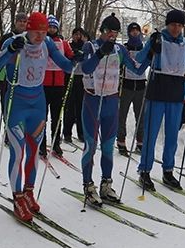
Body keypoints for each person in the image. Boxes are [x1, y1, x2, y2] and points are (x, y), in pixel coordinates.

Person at [0, 12, 78, 222]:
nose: (39, 36)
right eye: (35, 32)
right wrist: (10, 50)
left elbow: (66, 65)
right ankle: (17, 196)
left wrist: (76, 58)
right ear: (27, 29)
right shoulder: (15, 41)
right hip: (17, 104)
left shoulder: (48, 43)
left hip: (37, 104)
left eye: (43, 32)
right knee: (18, 153)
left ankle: (28, 192)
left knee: (33, 151)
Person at [133, 9, 185, 191]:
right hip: (157, 89)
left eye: (180, 25)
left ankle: (168, 170)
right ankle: (144, 170)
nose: (176, 28)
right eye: (174, 24)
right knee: (151, 133)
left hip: (175, 91)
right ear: (168, 24)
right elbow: (139, 59)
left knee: (172, 135)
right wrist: (151, 49)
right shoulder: (157, 38)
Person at [80, 13, 148, 206]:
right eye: (109, 31)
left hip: (111, 101)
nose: (112, 35)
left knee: (108, 147)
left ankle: (106, 184)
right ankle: (88, 185)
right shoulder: (90, 46)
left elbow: (136, 69)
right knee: (90, 146)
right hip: (92, 102)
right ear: (102, 30)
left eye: (116, 32)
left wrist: (152, 53)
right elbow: (85, 68)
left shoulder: (119, 49)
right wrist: (101, 52)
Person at [40, 15, 74, 157]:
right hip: (43, 84)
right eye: (50, 27)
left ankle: (55, 143)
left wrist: (75, 56)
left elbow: (70, 55)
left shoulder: (62, 42)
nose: (52, 29)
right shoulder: (42, 41)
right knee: (43, 116)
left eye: (54, 27)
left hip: (59, 84)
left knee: (56, 116)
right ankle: (41, 143)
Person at [116, 22, 147, 157]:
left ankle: (140, 142)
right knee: (122, 114)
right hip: (127, 85)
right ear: (128, 33)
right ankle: (121, 141)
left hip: (140, 85)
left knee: (140, 115)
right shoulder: (125, 47)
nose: (135, 33)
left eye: (137, 31)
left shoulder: (144, 47)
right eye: (132, 31)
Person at [0, 13, 28, 119]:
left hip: (23, 75)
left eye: (24, 21)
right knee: (6, 103)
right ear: (16, 22)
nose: (22, 23)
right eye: (20, 21)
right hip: (6, 74)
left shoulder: (30, 38)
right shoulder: (7, 37)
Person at [63, 28, 87, 144]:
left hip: (81, 77)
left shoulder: (86, 46)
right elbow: (65, 57)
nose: (78, 37)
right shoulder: (69, 45)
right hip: (70, 76)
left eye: (80, 35)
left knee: (81, 106)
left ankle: (81, 132)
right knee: (69, 106)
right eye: (76, 34)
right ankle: (67, 132)